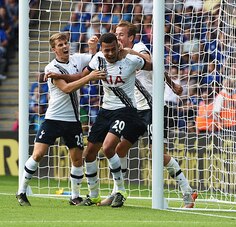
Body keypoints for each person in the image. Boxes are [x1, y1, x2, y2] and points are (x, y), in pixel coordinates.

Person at [105, 20, 197, 208]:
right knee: (119, 149)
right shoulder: (119, 55)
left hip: (152, 107)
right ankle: (118, 191)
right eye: (116, 34)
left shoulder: (139, 48)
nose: (117, 37)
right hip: (135, 110)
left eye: (121, 34)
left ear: (131, 37)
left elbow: (152, 63)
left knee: (158, 155)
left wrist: (172, 85)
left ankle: (187, 191)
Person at [53, 32, 153, 208]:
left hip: (126, 110)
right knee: (89, 153)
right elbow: (80, 77)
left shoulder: (130, 60)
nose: (109, 53)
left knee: (108, 147)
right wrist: (59, 76)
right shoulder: (98, 59)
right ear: (101, 49)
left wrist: (133, 52)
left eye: (112, 49)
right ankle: (94, 195)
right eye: (106, 50)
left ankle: (120, 191)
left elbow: (153, 66)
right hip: (105, 110)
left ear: (118, 46)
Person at [16, 33, 106, 206]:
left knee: (77, 159)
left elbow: (95, 60)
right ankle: (21, 191)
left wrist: (93, 47)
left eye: (66, 43)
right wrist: (88, 77)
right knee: (38, 154)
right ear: (54, 49)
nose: (65, 47)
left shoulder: (77, 59)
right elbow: (66, 88)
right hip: (53, 118)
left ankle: (74, 196)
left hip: (73, 120)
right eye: (60, 45)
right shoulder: (52, 68)